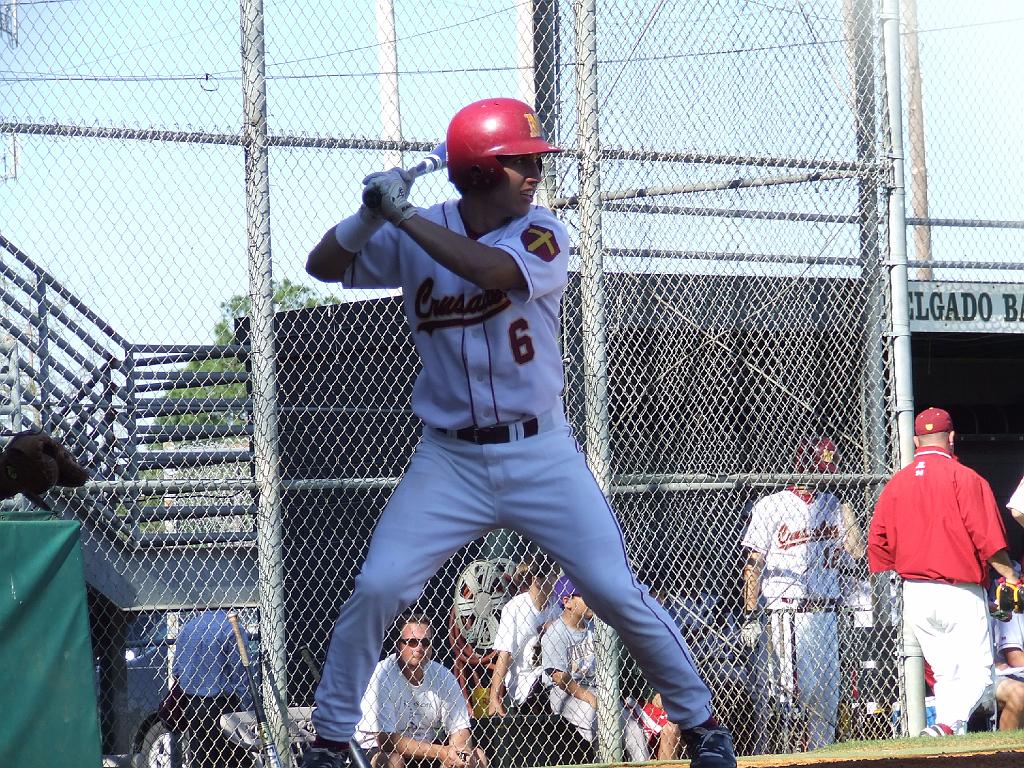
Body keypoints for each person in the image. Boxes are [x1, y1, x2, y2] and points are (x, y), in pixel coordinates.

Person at [300, 97, 736, 768]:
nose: (535, 172)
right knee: (378, 587)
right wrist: (366, 216)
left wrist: (403, 216)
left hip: (540, 453)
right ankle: (330, 742)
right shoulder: (418, 230)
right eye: (518, 162)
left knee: (616, 591)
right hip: (448, 461)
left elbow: (489, 273)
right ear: (476, 173)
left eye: (535, 160)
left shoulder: (542, 233)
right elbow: (323, 268)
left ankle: (702, 726)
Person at [868, 406, 1021, 736]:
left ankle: (947, 736)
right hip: (959, 591)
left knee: (946, 675)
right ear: (952, 438)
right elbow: (988, 540)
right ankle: (947, 726)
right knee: (978, 675)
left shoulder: (896, 484)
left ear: (915, 440)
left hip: (915, 592)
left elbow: (878, 544)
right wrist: (1010, 577)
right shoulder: (965, 478)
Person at [738, 435, 864, 750]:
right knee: (788, 695)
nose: (826, 475)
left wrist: (845, 501)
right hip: (785, 611)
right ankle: (784, 753)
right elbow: (753, 563)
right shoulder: (771, 504)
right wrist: (750, 613)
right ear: (802, 465)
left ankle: (821, 754)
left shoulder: (835, 504)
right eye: (820, 469)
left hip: (827, 612)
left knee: (826, 694)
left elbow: (859, 552)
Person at [540, 575, 650, 762]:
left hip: (596, 689)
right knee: (603, 723)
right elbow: (559, 678)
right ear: (567, 602)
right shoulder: (556, 633)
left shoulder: (595, 628)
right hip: (565, 694)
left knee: (634, 730)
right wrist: (589, 697)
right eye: (585, 595)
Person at [354, 614, 487, 768]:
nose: (419, 648)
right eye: (411, 642)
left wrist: (459, 753)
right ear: (398, 645)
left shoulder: (443, 676)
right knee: (393, 761)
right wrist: (441, 752)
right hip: (377, 750)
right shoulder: (381, 675)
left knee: (477, 757)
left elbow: (460, 730)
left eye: (425, 642)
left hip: (427, 750)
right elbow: (386, 741)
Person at [170, 610, 251, 768]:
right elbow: (241, 675)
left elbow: (176, 670)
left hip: (193, 704)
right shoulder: (232, 627)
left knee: (202, 759)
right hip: (225, 705)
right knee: (235, 759)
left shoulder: (188, 627)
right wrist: (247, 710)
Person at [487, 551, 560, 717]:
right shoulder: (514, 608)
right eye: (554, 575)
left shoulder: (555, 606)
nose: (557, 581)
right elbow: (505, 655)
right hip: (527, 684)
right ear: (537, 580)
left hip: (553, 677)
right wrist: (494, 698)